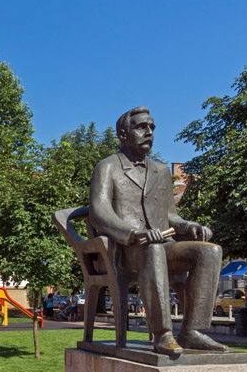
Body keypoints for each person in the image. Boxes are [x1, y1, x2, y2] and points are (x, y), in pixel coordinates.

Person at [88, 106, 227, 356]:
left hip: (165, 244)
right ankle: (163, 334)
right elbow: (99, 212)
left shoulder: (161, 171)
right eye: (142, 127)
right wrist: (132, 233)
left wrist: (188, 226)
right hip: (126, 249)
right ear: (123, 133)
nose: (149, 132)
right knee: (151, 248)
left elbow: (170, 216)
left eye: (152, 127)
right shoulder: (107, 167)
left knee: (210, 252)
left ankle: (193, 331)